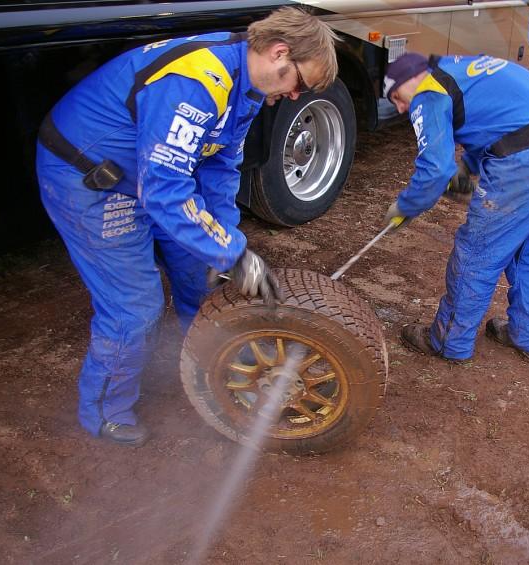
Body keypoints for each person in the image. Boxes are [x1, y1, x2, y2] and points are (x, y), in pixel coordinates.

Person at [36, 7, 338, 446]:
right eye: (300, 83)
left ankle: (205, 372)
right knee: (135, 306)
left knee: (203, 274)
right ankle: (106, 411)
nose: (296, 96)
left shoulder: (249, 87)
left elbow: (221, 166)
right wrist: (233, 255)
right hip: (89, 176)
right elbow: (165, 192)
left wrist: (229, 244)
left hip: (148, 175)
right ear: (279, 53)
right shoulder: (197, 81)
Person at [382, 52, 529, 362]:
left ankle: (450, 341)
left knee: (477, 251)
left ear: (411, 78)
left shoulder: (428, 89)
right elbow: (496, 119)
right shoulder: (458, 68)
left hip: (528, 158)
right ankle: (528, 335)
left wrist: (405, 207)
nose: (400, 108)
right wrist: (468, 167)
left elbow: (434, 171)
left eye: (396, 96)